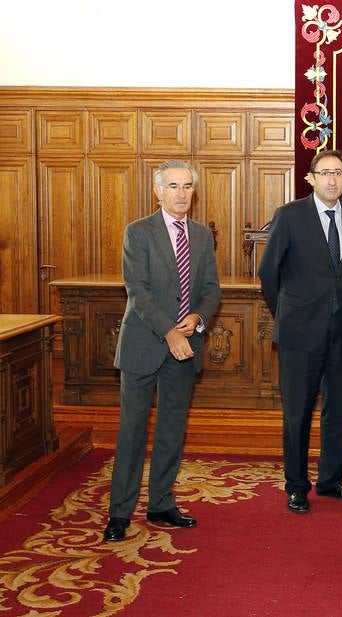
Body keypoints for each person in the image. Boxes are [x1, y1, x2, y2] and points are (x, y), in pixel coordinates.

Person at [104, 160, 221, 542]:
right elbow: (137, 291)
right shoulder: (138, 232)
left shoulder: (202, 236)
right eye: (173, 186)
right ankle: (120, 512)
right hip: (144, 344)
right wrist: (170, 331)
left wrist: (198, 318)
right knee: (133, 430)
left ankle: (161, 503)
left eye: (187, 186)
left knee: (172, 429)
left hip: (185, 348)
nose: (181, 193)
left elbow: (211, 289)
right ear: (158, 191)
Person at [258, 149, 342, 514]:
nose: (332, 180)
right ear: (311, 178)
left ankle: (332, 480)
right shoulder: (289, 216)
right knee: (298, 413)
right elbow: (269, 273)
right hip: (299, 334)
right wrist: (289, 312)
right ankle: (296, 485)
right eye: (325, 173)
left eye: (339, 173)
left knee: (339, 410)